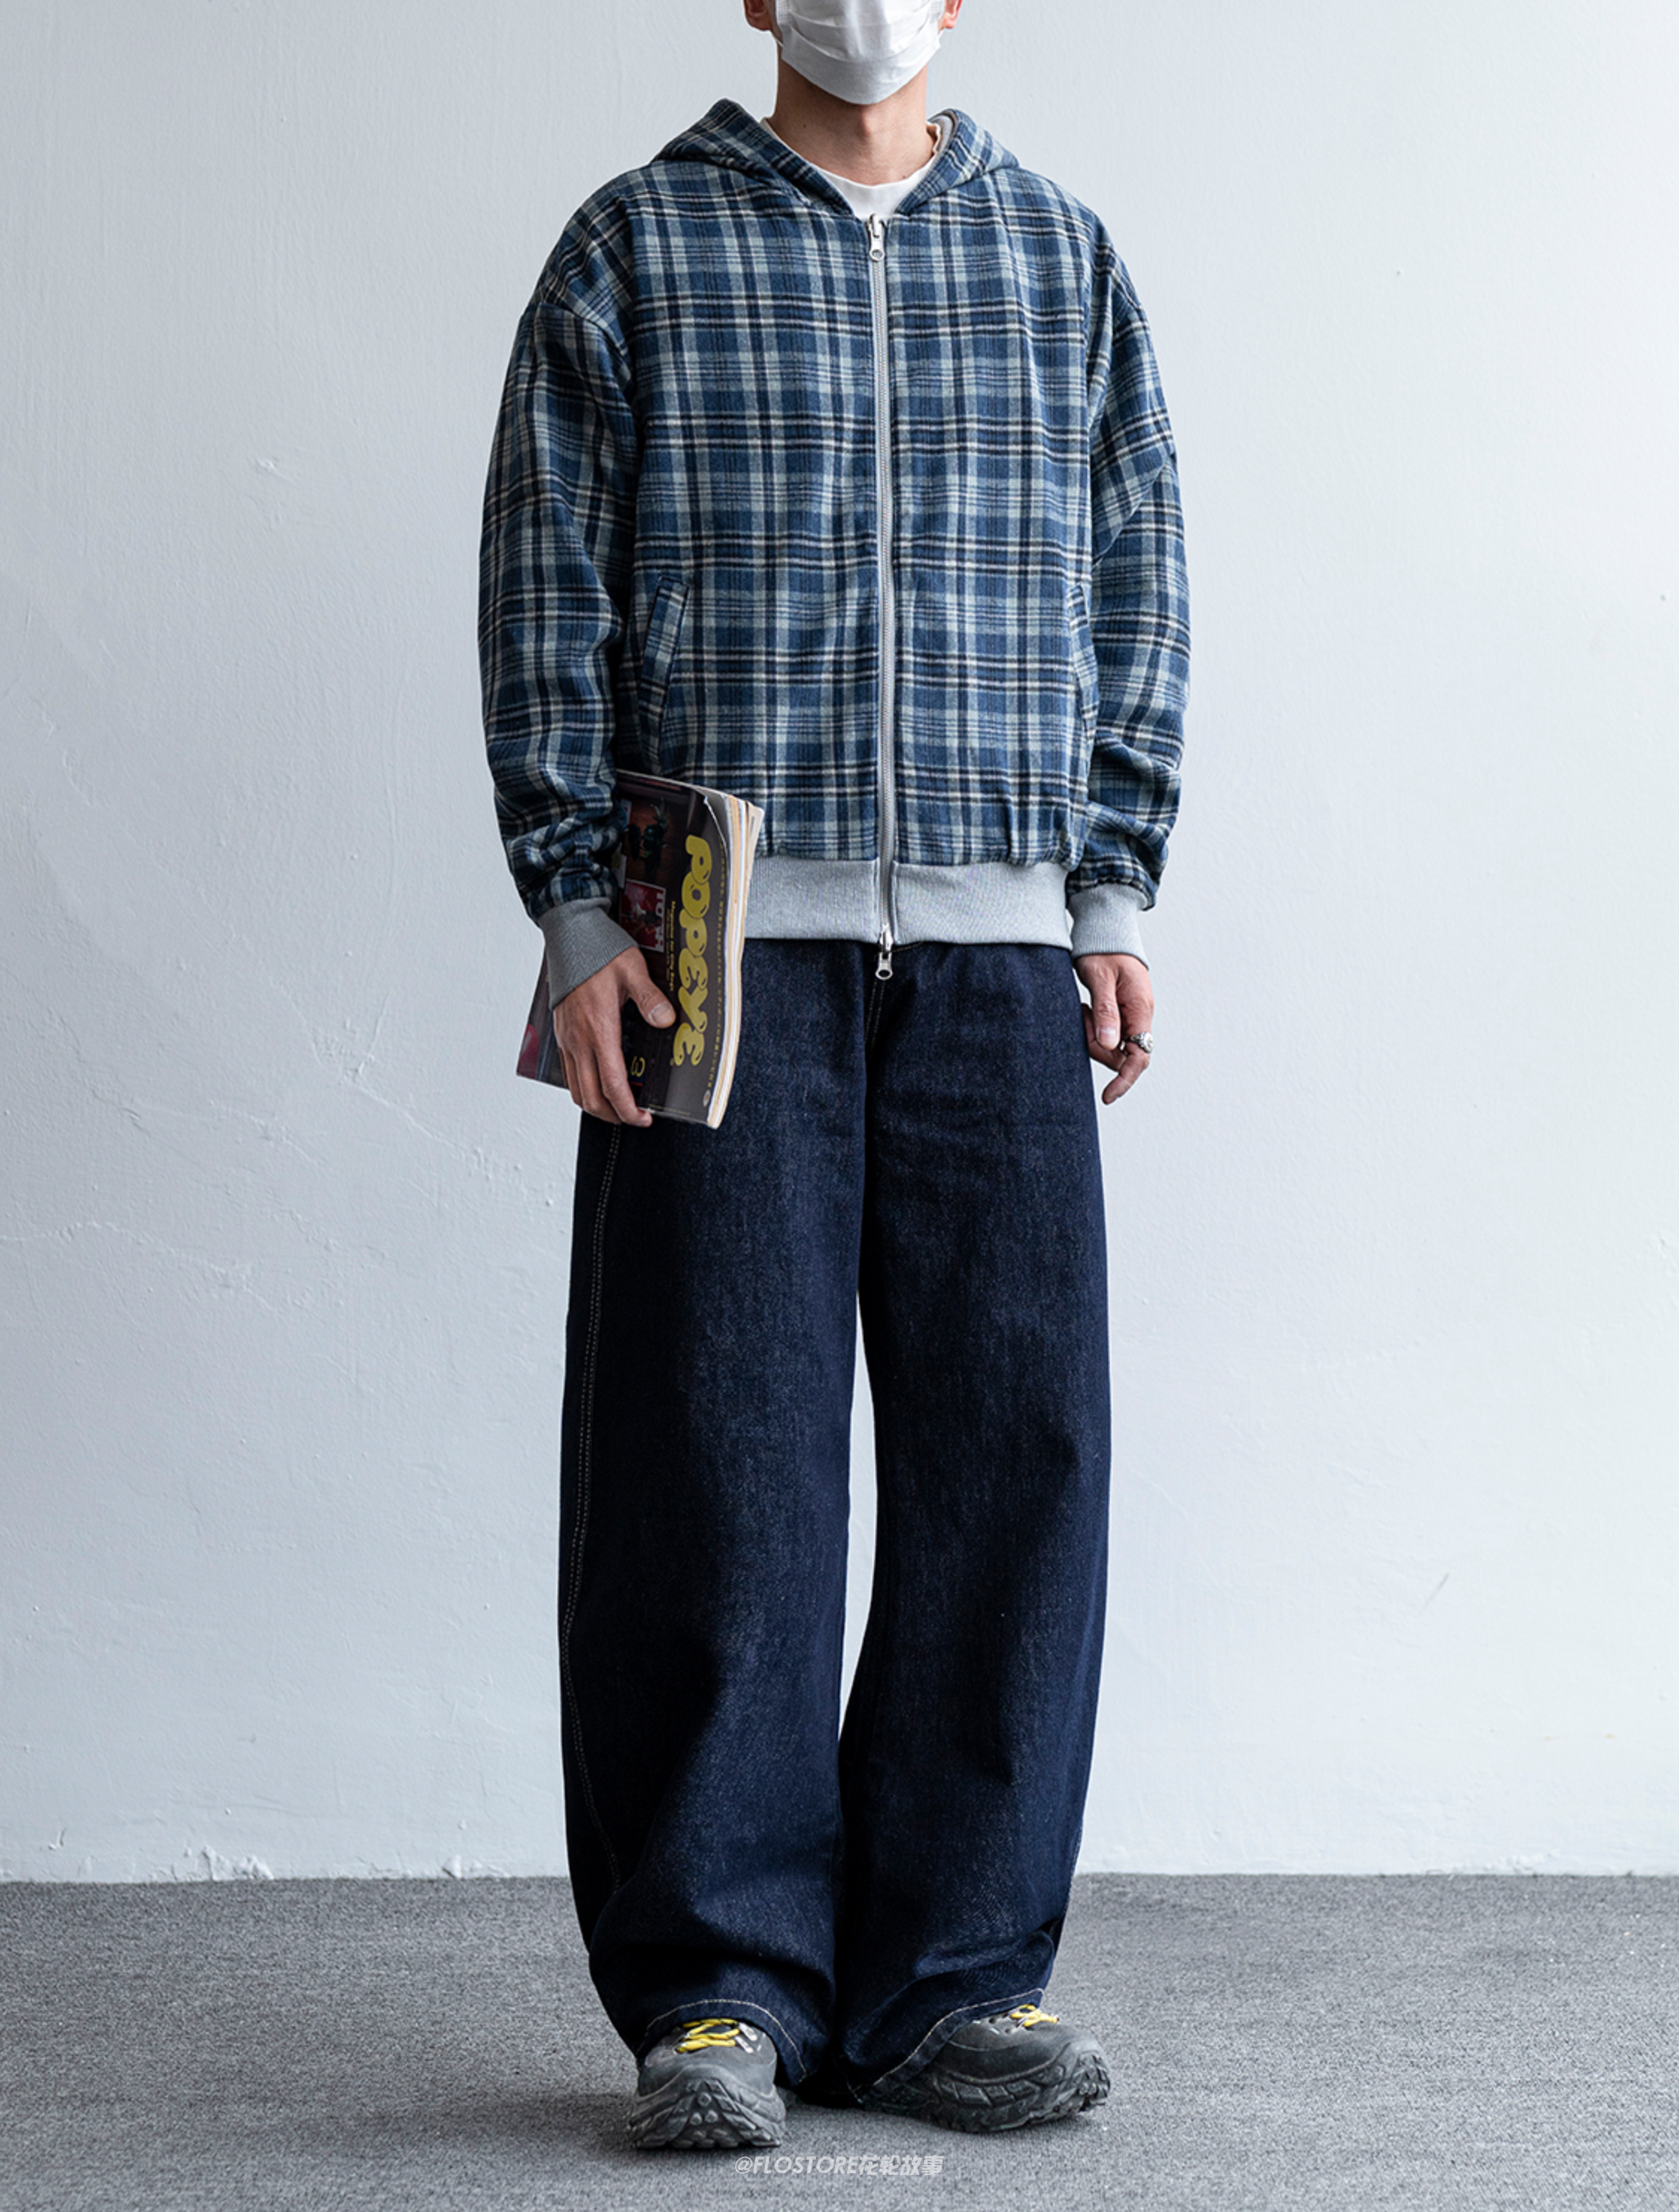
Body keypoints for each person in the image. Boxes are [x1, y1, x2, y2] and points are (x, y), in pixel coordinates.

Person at [478, 0, 1189, 2153]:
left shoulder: (1057, 255)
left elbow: (1137, 587)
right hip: (714, 951)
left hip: (994, 950)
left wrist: (1107, 891)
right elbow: (541, 588)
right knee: (712, 1464)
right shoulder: (637, 244)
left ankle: (953, 1981)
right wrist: (576, 911)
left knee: (1012, 1458)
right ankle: (717, 1990)